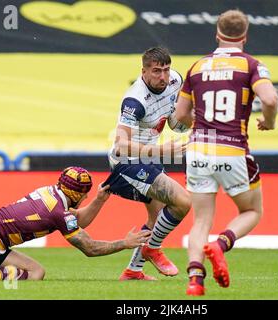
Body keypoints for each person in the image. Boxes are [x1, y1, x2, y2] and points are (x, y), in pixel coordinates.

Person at [175, 9, 278, 295]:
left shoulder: (196, 67)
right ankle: (220, 245)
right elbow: (270, 99)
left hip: (198, 150)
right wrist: (268, 122)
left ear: (217, 34)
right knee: (251, 210)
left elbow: (179, 114)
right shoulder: (251, 65)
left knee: (201, 220)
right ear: (244, 36)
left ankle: (195, 280)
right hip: (232, 149)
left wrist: (200, 123)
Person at [0, 166, 151, 281]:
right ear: (76, 193)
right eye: (85, 194)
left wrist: (99, 199)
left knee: (36, 273)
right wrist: (125, 243)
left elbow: (78, 220)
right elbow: (90, 248)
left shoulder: (53, 194)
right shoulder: (58, 211)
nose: (86, 198)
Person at [104, 46, 192, 281]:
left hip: (149, 159)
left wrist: (194, 116)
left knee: (156, 219)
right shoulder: (134, 100)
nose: (162, 76)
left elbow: (176, 123)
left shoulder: (175, 80)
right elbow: (122, 145)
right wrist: (162, 150)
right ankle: (152, 248)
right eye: (156, 71)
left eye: (165, 69)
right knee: (182, 202)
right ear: (143, 71)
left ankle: (133, 271)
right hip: (126, 163)